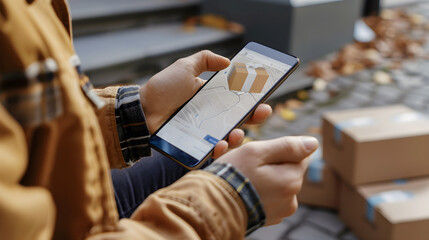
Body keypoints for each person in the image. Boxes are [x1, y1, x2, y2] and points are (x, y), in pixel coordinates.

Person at [0, 0, 319, 240]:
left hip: (55, 193)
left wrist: (137, 112)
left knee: (183, 158)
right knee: (203, 162)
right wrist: (228, 202)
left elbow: (31, 120)